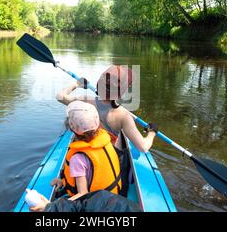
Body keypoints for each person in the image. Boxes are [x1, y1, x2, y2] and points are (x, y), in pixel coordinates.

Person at [56, 65, 158, 197]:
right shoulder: (123, 115)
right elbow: (143, 147)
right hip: (104, 160)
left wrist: (76, 84)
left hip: (82, 156)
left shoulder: (85, 101)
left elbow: (60, 96)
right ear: (121, 93)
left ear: (99, 83)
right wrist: (152, 133)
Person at [30, 101, 122, 211]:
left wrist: (51, 207)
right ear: (97, 124)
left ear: (72, 128)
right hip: (113, 198)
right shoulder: (105, 142)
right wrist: (63, 182)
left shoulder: (77, 159)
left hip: (97, 207)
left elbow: (83, 194)